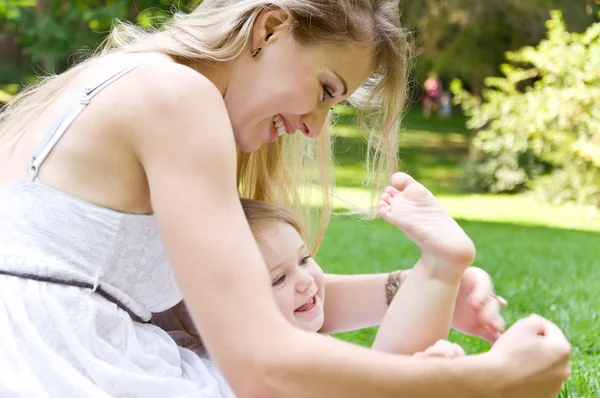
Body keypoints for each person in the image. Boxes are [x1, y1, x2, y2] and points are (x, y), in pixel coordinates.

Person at [0, 1, 570, 397]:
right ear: (269, 28)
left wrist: (400, 288)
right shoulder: (178, 97)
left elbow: (226, 304)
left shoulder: (122, 80)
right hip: (60, 371)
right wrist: (482, 384)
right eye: (325, 90)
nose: (316, 127)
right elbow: (260, 365)